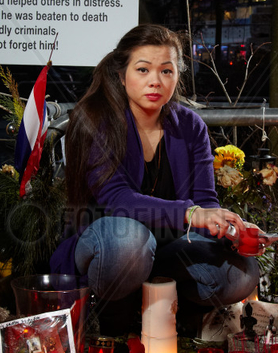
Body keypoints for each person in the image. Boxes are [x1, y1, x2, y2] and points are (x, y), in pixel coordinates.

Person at [50, 24, 261, 335]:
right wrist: (191, 214)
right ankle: (109, 322)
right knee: (130, 241)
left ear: (177, 76)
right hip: (109, 246)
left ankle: (174, 317)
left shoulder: (190, 126)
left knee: (241, 273)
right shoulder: (98, 121)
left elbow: (205, 201)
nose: (155, 81)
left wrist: (230, 229)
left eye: (166, 71)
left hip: (168, 250)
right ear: (122, 76)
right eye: (143, 69)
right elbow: (117, 200)